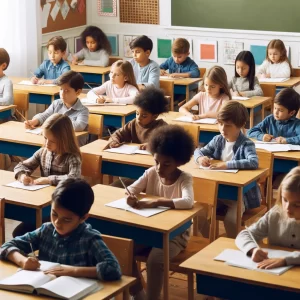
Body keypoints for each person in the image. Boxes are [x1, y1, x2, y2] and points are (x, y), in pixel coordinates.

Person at [0, 178, 122, 281]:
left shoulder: (89, 239)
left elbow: (113, 268)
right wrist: (22, 261)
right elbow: (6, 246)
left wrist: (73, 271)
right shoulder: (46, 230)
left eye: (67, 219)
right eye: (54, 214)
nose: (57, 222)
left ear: (83, 218)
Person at [127, 125, 195, 300]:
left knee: (155, 261)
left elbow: (188, 202)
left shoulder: (184, 179)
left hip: (176, 236)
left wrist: (156, 202)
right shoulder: (151, 173)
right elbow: (132, 188)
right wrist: (131, 196)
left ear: (179, 161)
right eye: (156, 161)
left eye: (166, 164)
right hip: (149, 229)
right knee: (123, 250)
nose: (159, 168)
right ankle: (138, 292)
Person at [194, 101, 261, 238]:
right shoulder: (218, 140)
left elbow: (253, 162)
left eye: (228, 125)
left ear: (241, 125)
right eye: (220, 124)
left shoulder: (246, 143)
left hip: (238, 196)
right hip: (216, 192)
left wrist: (227, 164)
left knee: (230, 220)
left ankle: (234, 246)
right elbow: (198, 151)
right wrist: (200, 158)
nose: (223, 129)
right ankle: (212, 243)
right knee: (197, 214)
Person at [236, 166, 300, 269]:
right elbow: (244, 234)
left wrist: (286, 260)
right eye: (285, 200)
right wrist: (253, 249)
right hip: (274, 274)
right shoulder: (275, 214)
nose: (287, 208)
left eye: (296, 205)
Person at [25, 71, 89, 146]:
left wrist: (53, 122)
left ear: (78, 92)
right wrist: (34, 121)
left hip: (71, 147)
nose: (62, 94)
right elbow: (45, 115)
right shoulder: (57, 103)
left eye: (66, 91)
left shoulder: (83, 111)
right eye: (61, 89)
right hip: (54, 144)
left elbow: (78, 126)